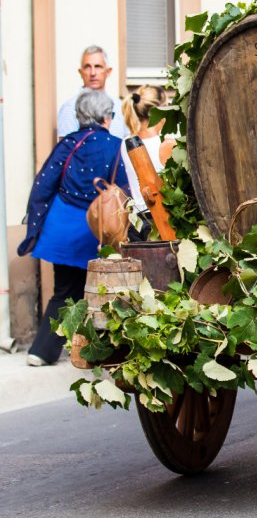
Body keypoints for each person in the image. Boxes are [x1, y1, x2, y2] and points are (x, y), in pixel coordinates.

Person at [19, 89, 130, 366]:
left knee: (64, 291)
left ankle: (42, 352)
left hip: (60, 229)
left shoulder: (67, 144)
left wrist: (33, 224)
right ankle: (94, 351)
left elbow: (43, 185)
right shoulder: (116, 146)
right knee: (96, 293)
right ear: (106, 117)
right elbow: (124, 191)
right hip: (93, 230)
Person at [120, 85, 175, 237]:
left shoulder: (126, 143)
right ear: (161, 110)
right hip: (164, 221)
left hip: (138, 220)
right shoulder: (167, 142)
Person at [57, 45, 127, 140]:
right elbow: (67, 150)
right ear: (80, 72)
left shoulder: (120, 107)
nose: (93, 73)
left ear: (108, 71)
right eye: (87, 67)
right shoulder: (70, 108)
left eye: (98, 66)